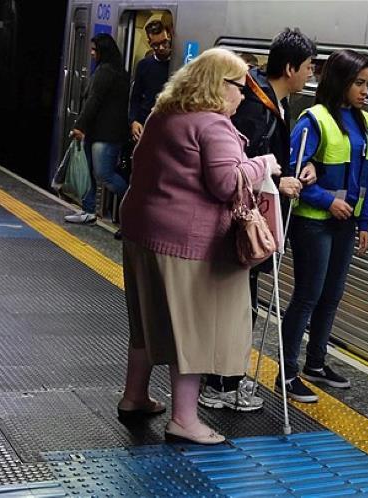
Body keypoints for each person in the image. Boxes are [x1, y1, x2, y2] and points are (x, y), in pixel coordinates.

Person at [117, 48, 280, 444]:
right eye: (240, 87)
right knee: (193, 330)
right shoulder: (213, 125)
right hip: (186, 242)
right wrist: (264, 164)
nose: (243, 96)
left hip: (141, 230)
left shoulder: (164, 114)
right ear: (218, 84)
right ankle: (184, 420)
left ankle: (134, 396)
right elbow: (226, 183)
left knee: (147, 320)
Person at [200, 27, 318, 411]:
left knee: (242, 303)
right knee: (236, 305)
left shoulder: (274, 107)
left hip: (252, 222)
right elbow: (235, 166)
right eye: (308, 67)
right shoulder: (255, 108)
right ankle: (218, 383)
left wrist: (300, 170)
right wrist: (275, 179)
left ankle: (228, 380)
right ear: (289, 67)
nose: (310, 75)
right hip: (239, 225)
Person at [276, 49, 368, 403]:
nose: (366, 91)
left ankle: (316, 362)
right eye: (359, 83)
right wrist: (326, 201)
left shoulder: (366, 124)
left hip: (345, 225)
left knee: (331, 297)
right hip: (313, 223)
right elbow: (292, 173)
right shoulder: (314, 120)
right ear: (340, 82)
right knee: (307, 296)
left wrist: (364, 221)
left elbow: (365, 178)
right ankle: (287, 373)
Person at [64, 33, 129, 224]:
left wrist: (79, 126)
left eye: (95, 50)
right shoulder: (117, 71)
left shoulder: (106, 72)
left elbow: (94, 101)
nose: (92, 53)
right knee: (89, 171)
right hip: (100, 132)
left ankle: (134, 199)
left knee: (104, 174)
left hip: (105, 134)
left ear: (103, 51)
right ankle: (88, 210)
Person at [128, 20, 172, 143]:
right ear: (149, 43)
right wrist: (133, 121)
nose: (162, 48)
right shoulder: (144, 65)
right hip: (145, 122)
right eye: (156, 45)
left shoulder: (178, 64)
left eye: (165, 42)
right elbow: (135, 97)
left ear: (169, 37)